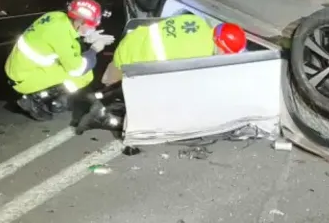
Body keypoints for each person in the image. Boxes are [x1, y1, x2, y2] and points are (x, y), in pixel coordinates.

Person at [74, 13, 247, 134]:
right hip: (134, 66)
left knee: (110, 83)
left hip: (129, 45)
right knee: (157, 106)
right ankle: (104, 115)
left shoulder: (196, 21)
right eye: (225, 53)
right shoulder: (201, 53)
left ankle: (98, 97)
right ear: (220, 45)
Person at [5, 0, 115, 121]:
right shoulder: (62, 37)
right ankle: (39, 98)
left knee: (72, 62)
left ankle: (45, 95)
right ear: (79, 22)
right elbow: (77, 69)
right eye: (91, 26)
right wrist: (94, 49)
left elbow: (57, 41)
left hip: (18, 67)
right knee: (85, 75)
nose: (92, 29)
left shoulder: (56, 17)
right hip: (24, 78)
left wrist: (85, 38)